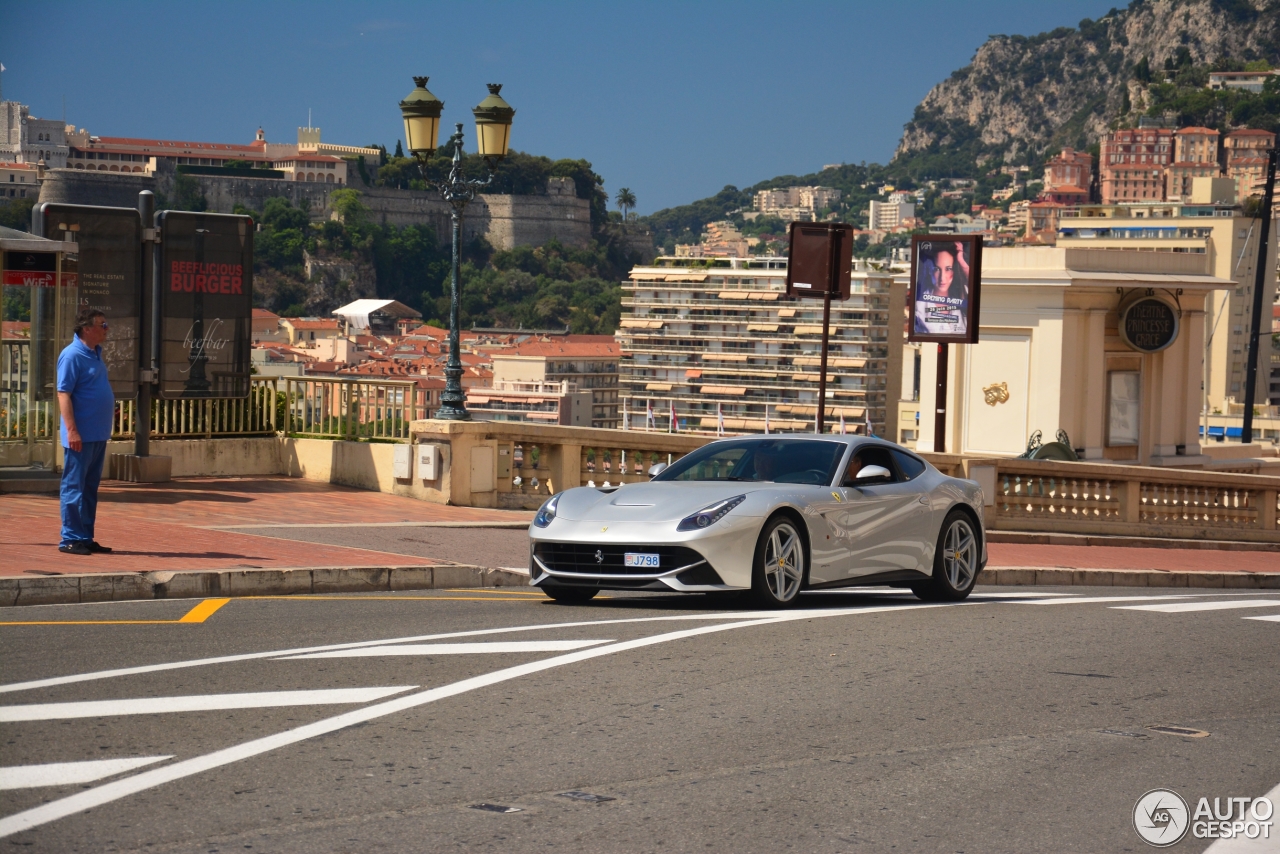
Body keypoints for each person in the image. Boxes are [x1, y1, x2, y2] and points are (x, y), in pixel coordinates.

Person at [56, 309, 116, 556]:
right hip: (80, 435)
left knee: (90, 488)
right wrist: (72, 430)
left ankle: (85, 536)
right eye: (103, 325)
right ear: (86, 328)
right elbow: (63, 394)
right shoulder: (71, 356)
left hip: (98, 433)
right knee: (74, 487)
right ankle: (69, 538)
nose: (106, 329)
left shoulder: (95, 353)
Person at [913, 240, 971, 336]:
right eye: (937, 269)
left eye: (948, 269)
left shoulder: (963, 293)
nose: (942, 278)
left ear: (954, 270)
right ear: (929, 270)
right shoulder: (919, 306)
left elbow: (974, 281)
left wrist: (960, 259)